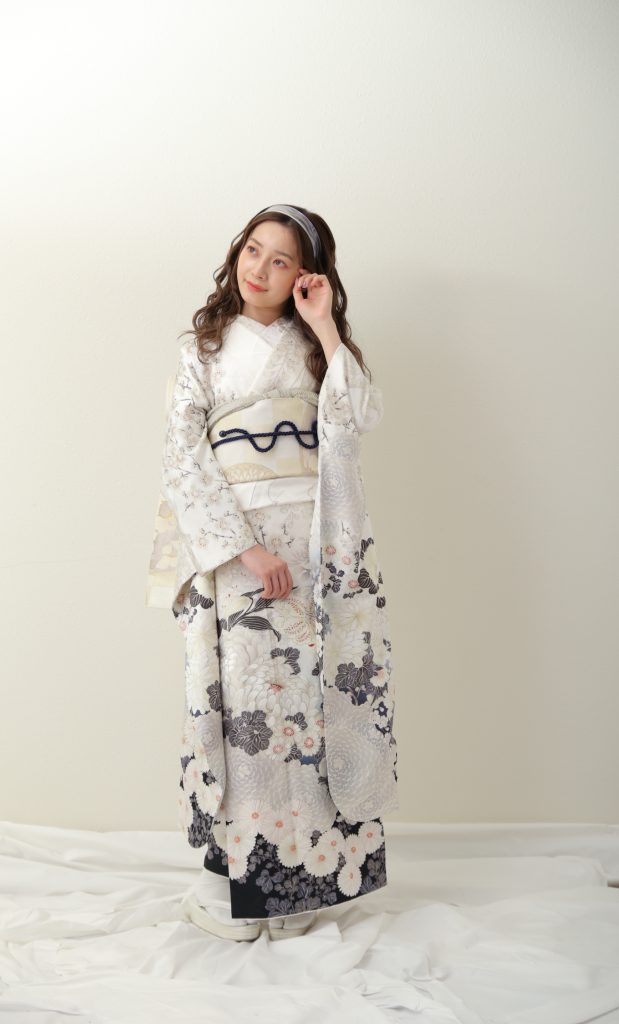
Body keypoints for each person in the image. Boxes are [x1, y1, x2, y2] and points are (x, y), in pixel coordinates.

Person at [147, 204, 399, 941]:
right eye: (252, 250)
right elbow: (182, 458)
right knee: (247, 713)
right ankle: (228, 887)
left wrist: (325, 328)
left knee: (315, 710)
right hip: (240, 551)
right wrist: (242, 550)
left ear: (305, 276)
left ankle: (302, 891)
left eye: (280, 259)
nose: (258, 269)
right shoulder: (204, 349)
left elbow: (359, 419)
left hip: (314, 544)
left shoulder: (315, 346)